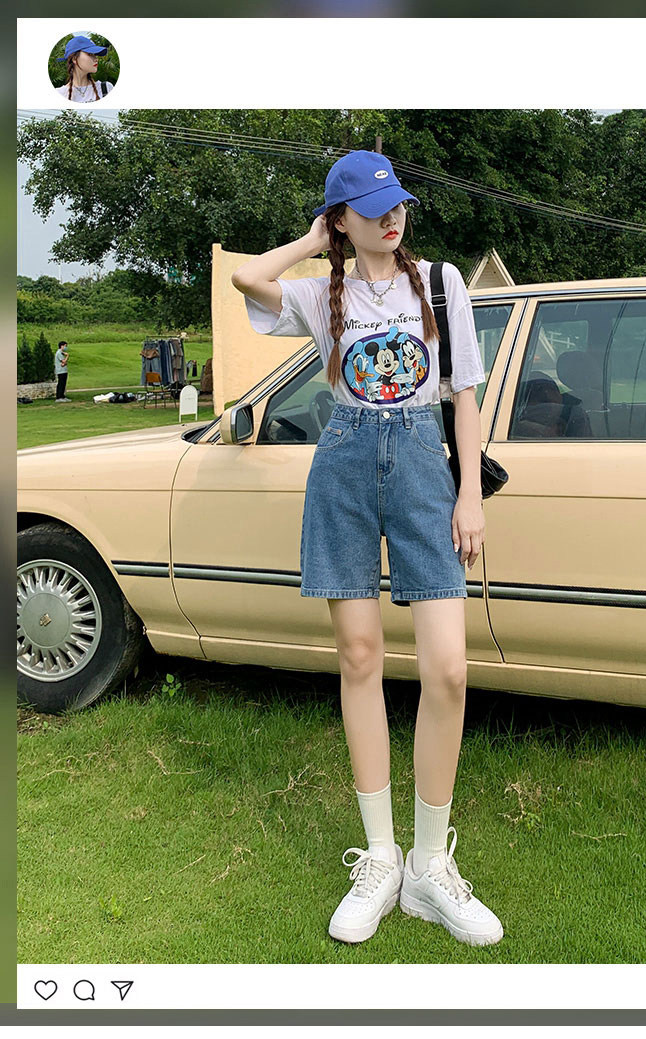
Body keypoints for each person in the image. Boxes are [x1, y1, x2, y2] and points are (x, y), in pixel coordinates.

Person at [231, 150, 503, 948]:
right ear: (341, 219)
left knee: (448, 668)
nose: (392, 218)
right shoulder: (323, 292)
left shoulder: (442, 284)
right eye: (373, 209)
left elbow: (464, 397)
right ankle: (381, 858)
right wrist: (314, 242)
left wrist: (469, 493)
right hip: (344, 466)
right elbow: (248, 277)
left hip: (422, 467)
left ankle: (429, 866)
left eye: (398, 205)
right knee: (358, 656)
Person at [54, 35, 114, 103]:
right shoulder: (60, 93)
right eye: (90, 54)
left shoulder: (106, 88)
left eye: (95, 54)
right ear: (74, 59)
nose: (96, 59)